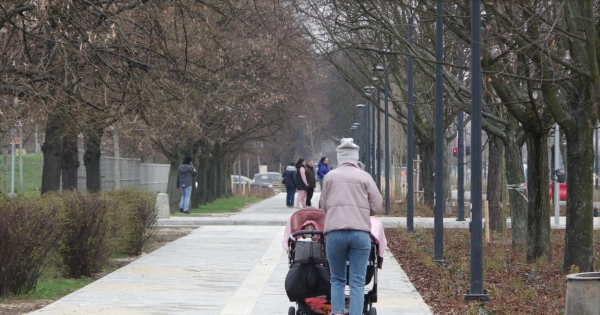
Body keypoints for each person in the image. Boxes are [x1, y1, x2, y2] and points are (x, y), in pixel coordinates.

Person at [320, 138, 383, 315]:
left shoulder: (329, 177)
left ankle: (338, 312)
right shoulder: (365, 177)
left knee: (337, 279)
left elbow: (323, 206)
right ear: (355, 157)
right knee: (357, 281)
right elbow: (377, 206)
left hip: (335, 234)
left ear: (339, 157)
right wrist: (362, 211)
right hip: (360, 234)